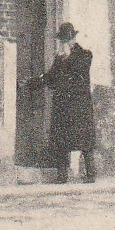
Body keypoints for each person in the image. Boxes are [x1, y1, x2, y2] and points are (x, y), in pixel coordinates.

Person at [31, 22, 97, 182]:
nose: (64, 43)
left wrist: (68, 57)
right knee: (60, 141)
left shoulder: (85, 55)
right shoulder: (60, 59)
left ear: (73, 39)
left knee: (84, 141)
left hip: (79, 106)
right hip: (63, 106)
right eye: (63, 40)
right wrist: (32, 83)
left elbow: (78, 72)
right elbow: (50, 77)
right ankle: (62, 176)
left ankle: (90, 174)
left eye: (66, 39)